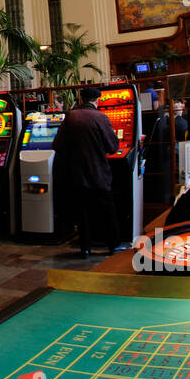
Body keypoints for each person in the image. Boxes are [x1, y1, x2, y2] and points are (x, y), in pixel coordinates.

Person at [52, 85, 122, 257]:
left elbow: (57, 145)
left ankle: (85, 247)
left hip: (76, 174)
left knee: (82, 213)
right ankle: (113, 245)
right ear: (97, 100)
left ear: (81, 99)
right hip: (98, 173)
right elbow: (113, 147)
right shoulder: (101, 118)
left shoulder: (70, 117)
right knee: (108, 211)